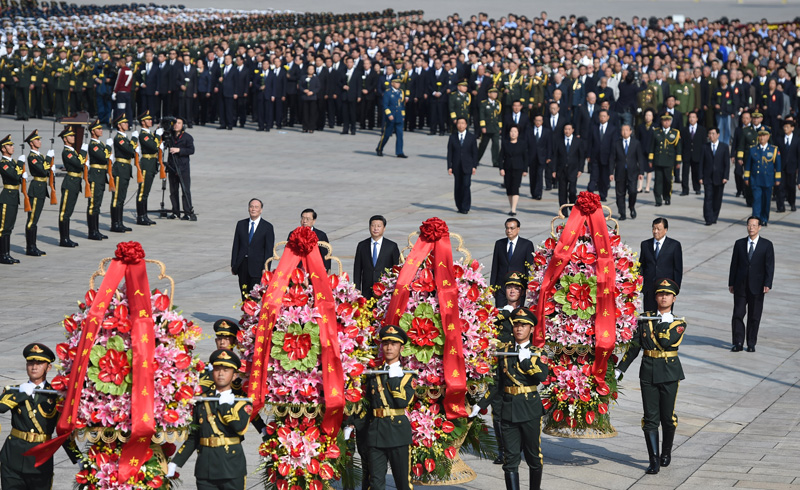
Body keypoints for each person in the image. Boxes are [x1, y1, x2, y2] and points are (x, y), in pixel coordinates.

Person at [616, 278, 686, 475]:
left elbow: (666, 342)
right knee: (650, 418)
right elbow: (635, 346)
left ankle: (666, 452)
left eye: (667, 295)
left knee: (668, 417)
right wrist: (621, 368)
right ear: (655, 297)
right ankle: (653, 459)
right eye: (660, 294)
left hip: (669, 372)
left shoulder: (679, 322)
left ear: (673, 298)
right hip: (648, 371)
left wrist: (665, 324)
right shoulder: (645, 319)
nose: (663, 297)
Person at [475, 307, 549, 490]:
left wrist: (525, 361)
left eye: (523, 325)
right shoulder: (504, 351)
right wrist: (480, 405)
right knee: (510, 459)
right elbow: (496, 383)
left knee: (533, 456)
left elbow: (542, 377)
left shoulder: (538, 353)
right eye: (516, 324)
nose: (519, 328)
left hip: (529, 407)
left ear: (531, 329)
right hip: (508, 409)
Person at [0, 343, 83, 489]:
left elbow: (62, 431)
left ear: (48, 367)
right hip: (13, 457)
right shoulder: (15, 390)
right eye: (30, 363)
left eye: (39, 363)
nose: (34, 367)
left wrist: (79, 460)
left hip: (40, 460)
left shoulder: (57, 396)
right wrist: (21, 394)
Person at [168, 349, 252, 490]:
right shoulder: (203, 401)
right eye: (217, 369)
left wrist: (225, 405)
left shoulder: (241, 402)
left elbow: (239, 428)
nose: (221, 374)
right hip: (205, 469)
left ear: (234, 375)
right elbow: (194, 437)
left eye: (226, 370)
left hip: (231, 468)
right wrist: (175, 462)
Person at [364, 325, 416, 490]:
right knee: (376, 484)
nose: (389, 347)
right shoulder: (374, 373)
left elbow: (401, 402)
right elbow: (366, 402)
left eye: (393, 344)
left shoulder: (407, 375)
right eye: (386, 343)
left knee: (403, 484)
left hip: (398, 433)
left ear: (401, 347)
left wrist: (394, 374)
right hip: (376, 433)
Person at [487, 272, 528, 466]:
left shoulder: (527, 313)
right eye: (510, 287)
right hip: (498, 368)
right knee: (497, 407)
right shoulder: (497, 314)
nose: (512, 290)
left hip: (519, 369)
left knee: (518, 407)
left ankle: (517, 446)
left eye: (517, 288)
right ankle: (503, 450)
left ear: (522, 292)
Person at [728, 216, 774, 352]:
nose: (751, 228)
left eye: (754, 225)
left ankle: (751, 343)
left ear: (759, 227)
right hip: (740, 285)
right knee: (738, 314)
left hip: (758, 286)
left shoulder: (766, 245)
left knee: (754, 316)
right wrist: (731, 282)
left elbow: (769, 266)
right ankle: (738, 342)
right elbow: (734, 264)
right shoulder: (739, 243)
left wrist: (768, 283)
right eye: (749, 225)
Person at [231, 198, 275, 300]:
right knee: (244, 294)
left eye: (256, 207)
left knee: (255, 295)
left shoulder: (267, 227)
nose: (253, 209)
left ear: (261, 210)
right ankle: (245, 315)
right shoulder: (241, 224)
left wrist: (266, 267)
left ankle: (253, 316)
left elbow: (269, 249)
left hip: (258, 267)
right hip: (243, 265)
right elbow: (236, 245)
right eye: (251, 207)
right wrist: (234, 264)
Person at [639, 218, 683, 312]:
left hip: (665, 290)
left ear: (665, 230)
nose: (655, 232)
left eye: (658, 229)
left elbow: (678, 269)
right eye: (653, 229)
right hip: (649, 289)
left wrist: (675, 289)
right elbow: (641, 265)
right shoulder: (645, 244)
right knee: (649, 317)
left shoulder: (674, 245)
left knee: (664, 318)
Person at [353, 214, 400, 300]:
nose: (375, 228)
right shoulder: (362, 245)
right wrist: (357, 288)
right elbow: (357, 269)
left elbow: (396, 268)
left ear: (384, 228)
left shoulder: (391, 246)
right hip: (366, 290)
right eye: (373, 226)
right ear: (369, 227)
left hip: (385, 289)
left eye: (379, 226)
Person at [490, 218, 535, 307]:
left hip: (518, 287)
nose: (509, 231)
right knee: (500, 313)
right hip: (501, 287)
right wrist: (492, 286)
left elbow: (530, 267)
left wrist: (529, 285)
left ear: (518, 229)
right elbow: (495, 266)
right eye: (507, 228)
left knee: (516, 314)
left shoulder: (526, 244)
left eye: (512, 228)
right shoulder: (499, 244)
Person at [23, 130, 53, 256]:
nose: (40, 142)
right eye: (37, 140)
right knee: (32, 220)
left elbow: (46, 171)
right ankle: (30, 247)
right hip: (36, 189)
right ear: (31, 143)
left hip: (41, 189)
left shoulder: (39, 156)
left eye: (39, 140)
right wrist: (49, 158)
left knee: (35, 219)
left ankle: (33, 245)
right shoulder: (32, 157)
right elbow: (41, 170)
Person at [745, 129, 781, 226]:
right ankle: (756, 219)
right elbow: (748, 164)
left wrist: (777, 178)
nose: (762, 138)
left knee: (766, 201)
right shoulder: (753, 149)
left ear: (768, 137)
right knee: (756, 200)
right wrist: (746, 177)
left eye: (764, 136)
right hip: (756, 179)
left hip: (768, 180)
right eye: (760, 136)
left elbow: (778, 165)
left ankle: (764, 218)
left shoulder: (773, 149)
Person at [610, 124, 644, 220]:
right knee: (620, 193)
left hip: (633, 172)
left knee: (633, 191)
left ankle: (632, 206)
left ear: (630, 131)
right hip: (620, 172)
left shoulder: (636, 143)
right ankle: (622, 213)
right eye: (623, 130)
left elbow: (640, 158)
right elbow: (612, 158)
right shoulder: (616, 143)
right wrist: (610, 172)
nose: (624, 132)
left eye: (626, 130)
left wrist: (641, 172)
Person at [109, 113, 135, 233]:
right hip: (120, 169)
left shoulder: (124, 138)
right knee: (117, 198)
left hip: (125, 169)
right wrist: (134, 140)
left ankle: (120, 222)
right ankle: (115, 224)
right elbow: (130, 150)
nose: (127, 124)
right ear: (119, 126)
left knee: (122, 198)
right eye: (124, 123)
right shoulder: (119, 138)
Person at [134, 110, 161, 225]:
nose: (151, 121)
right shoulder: (143, 135)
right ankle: (141, 216)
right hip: (146, 163)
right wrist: (158, 135)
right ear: (143, 122)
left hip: (151, 163)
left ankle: (144, 215)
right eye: (148, 120)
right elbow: (154, 146)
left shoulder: (149, 134)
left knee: (146, 192)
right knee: (142, 192)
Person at [649, 114, 682, 206]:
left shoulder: (675, 133)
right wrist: (650, 160)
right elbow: (652, 146)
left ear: (671, 121)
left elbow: (678, 148)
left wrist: (678, 161)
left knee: (668, 180)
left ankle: (667, 197)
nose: (666, 122)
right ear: (661, 121)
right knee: (658, 181)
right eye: (664, 120)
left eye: (668, 120)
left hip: (669, 160)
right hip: (658, 160)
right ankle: (658, 199)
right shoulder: (656, 132)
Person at [57, 125, 83, 247]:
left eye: (73, 135)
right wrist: (83, 151)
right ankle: (64, 239)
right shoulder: (67, 152)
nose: (73, 137)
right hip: (70, 183)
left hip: (75, 182)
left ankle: (66, 238)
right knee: (65, 212)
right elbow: (78, 164)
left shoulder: (72, 151)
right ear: (65, 139)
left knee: (69, 211)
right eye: (70, 136)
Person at [447, 117, 479, 214]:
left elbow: (475, 153)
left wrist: (474, 166)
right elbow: (450, 153)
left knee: (466, 185)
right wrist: (449, 166)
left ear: (466, 125)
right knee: (458, 186)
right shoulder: (452, 137)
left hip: (468, 166)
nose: (461, 125)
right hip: (456, 166)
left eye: (463, 123)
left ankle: (465, 206)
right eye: (459, 123)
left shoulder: (471, 137)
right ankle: (459, 205)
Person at [699, 127, 730, 225]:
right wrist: (700, 177)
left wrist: (726, 176)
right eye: (709, 134)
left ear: (718, 135)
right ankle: (708, 218)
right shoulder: (705, 147)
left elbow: (727, 164)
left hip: (719, 178)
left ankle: (714, 216)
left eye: (713, 133)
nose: (711, 136)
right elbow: (701, 163)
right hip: (707, 177)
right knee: (708, 198)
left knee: (717, 199)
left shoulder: (724, 147)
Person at [166, 117, 196, 220]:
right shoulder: (169, 136)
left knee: (185, 190)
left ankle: (187, 212)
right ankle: (175, 211)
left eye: (179, 123)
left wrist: (179, 150)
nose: (176, 125)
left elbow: (191, 150)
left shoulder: (187, 137)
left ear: (183, 125)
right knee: (173, 191)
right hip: (172, 167)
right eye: (175, 123)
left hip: (183, 168)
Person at [552, 122, 585, 213]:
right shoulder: (558, 141)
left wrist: (580, 169)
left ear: (573, 130)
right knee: (562, 191)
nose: (567, 131)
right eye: (565, 129)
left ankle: (572, 205)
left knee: (572, 190)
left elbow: (581, 156)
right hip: (561, 169)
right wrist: (553, 170)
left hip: (573, 169)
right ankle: (564, 211)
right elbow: (555, 156)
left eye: (569, 129)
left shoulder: (578, 141)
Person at [85, 119, 110, 241]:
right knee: (93, 205)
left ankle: (96, 230)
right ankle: (92, 231)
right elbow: (103, 157)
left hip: (100, 176)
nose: (101, 131)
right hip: (95, 176)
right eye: (99, 129)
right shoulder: (93, 145)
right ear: (93, 131)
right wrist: (109, 148)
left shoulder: (100, 145)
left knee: (98, 205)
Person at [0, 135, 23, 264]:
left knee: (9, 227)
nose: (12, 147)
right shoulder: (3, 164)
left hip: (14, 197)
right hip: (7, 197)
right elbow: (14, 176)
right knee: (3, 228)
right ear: (3, 149)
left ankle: (7, 254)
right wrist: (20, 164)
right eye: (9, 145)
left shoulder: (12, 163)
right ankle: (2, 255)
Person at [587, 109, 618, 201]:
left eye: (604, 116)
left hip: (607, 157)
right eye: (601, 116)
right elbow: (590, 142)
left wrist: (613, 157)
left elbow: (614, 144)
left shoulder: (613, 129)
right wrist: (588, 154)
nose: (602, 118)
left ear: (608, 117)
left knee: (604, 178)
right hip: (595, 156)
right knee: (594, 176)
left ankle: (603, 194)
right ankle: (590, 192)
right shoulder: (594, 127)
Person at [500, 125, 528, 216]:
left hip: (518, 168)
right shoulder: (505, 143)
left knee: (515, 188)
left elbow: (525, 157)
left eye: (515, 132)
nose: (513, 133)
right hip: (507, 168)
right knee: (508, 188)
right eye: (511, 131)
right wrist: (501, 168)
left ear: (518, 133)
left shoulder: (522, 143)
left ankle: (513, 209)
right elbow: (501, 157)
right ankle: (511, 205)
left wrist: (525, 169)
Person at [376, 77, 406, 158]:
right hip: (391, 117)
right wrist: (389, 114)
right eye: (396, 82)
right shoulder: (388, 92)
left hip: (399, 116)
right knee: (386, 134)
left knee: (400, 135)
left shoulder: (401, 92)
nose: (398, 84)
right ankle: (379, 148)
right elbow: (385, 105)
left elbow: (402, 105)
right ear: (392, 83)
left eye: (399, 83)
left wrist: (403, 115)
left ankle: (399, 152)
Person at [679, 112, 706, 196]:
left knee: (696, 172)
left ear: (697, 119)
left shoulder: (702, 130)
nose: (692, 119)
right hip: (686, 154)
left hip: (697, 155)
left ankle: (697, 188)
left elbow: (704, 143)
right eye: (690, 117)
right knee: (685, 173)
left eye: (693, 117)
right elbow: (681, 143)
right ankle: (685, 189)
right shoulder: (684, 130)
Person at [776, 119, 799, 213]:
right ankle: (781, 206)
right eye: (784, 127)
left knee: (791, 186)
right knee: (780, 187)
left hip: (792, 167)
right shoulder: (779, 139)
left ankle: (792, 202)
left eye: (787, 127)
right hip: (781, 167)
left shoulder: (797, 140)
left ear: (792, 128)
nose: (785, 129)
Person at [528, 114, 551, 200]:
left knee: (539, 174)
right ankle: (533, 192)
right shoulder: (529, 130)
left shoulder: (546, 131)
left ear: (542, 121)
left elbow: (549, 145)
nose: (538, 122)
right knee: (532, 175)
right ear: (534, 121)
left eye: (540, 120)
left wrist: (549, 156)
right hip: (531, 156)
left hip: (542, 157)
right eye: (536, 120)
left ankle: (538, 193)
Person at [478, 87, 502, 167]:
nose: (495, 94)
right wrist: (483, 126)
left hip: (495, 128)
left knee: (496, 145)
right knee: (483, 145)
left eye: (496, 93)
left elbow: (499, 116)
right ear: (489, 94)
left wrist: (500, 127)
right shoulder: (484, 103)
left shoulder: (498, 103)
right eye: (493, 93)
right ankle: (476, 159)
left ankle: (495, 162)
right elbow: (481, 115)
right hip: (487, 127)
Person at [636, 109, 656, 193]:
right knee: (640, 169)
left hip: (651, 151)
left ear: (652, 117)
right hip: (641, 150)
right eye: (646, 115)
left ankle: (647, 186)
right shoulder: (640, 126)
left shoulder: (655, 127)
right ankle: (640, 186)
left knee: (649, 170)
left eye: (649, 115)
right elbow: (637, 139)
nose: (647, 117)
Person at [299, 64, 321, 133]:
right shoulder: (303, 77)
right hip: (305, 98)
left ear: (314, 70)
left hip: (312, 98)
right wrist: (304, 90)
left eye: (312, 69)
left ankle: (311, 127)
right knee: (305, 113)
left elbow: (318, 87)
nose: (310, 70)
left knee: (312, 113)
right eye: (309, 69)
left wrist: (312, 92)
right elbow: (300, 86)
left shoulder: (316, 78)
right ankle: (305, 127)